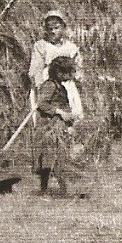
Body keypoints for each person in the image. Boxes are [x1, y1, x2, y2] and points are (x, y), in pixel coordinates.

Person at [32, 56, 86, 197]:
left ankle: (65, 189)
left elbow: (65, 106)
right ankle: (45, 189)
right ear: (59, 72)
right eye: (69, 72)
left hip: (59, 126)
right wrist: (59, 112)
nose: (72, 76)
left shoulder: (61, 87)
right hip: (48, 128)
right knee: (48, 159)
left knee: (61, 157)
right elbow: (42, 104)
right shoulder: (49, 85)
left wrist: (69, 121)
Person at [28, 10, 82, 124]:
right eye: (50, 29)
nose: (53, 32)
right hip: (47, 83)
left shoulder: (71, 47)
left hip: (66, 83)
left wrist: (77, 77)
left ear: (63, 28)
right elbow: (36, 69)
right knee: (48, 115)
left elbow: (78, 68)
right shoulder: (41, 46)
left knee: (71, 112)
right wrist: (41, 87)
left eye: (56, 28)